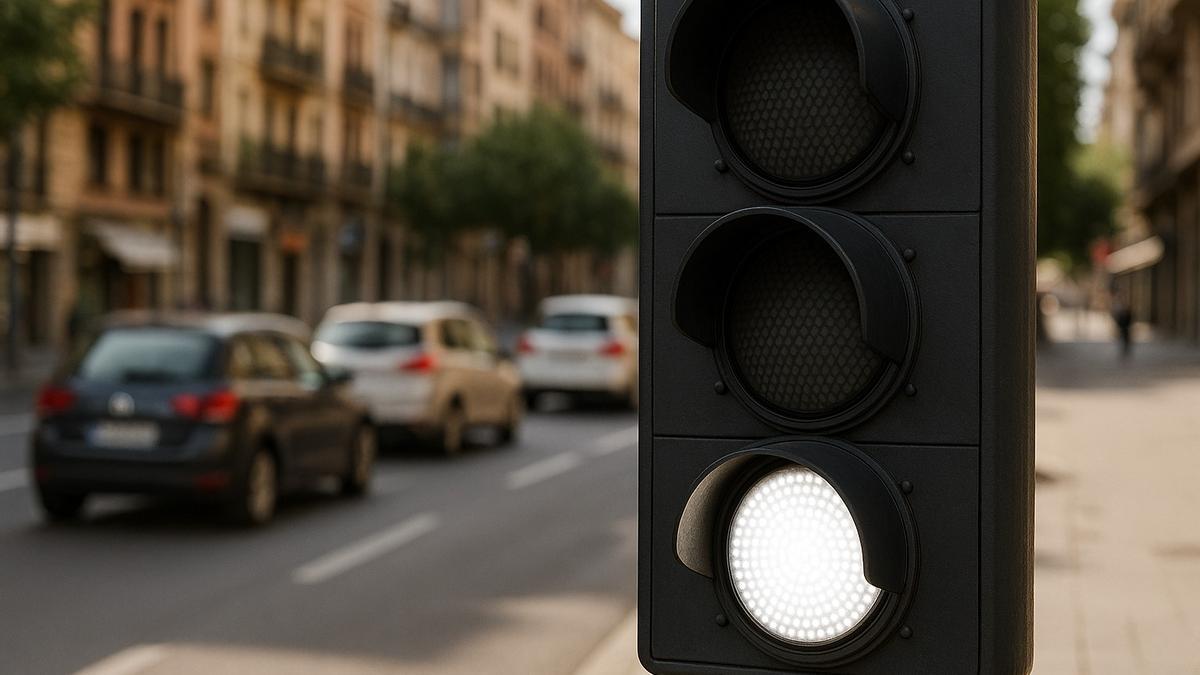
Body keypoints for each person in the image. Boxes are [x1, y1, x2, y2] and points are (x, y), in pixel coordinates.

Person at [1111, 283, 1133, 359]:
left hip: (1125, 321)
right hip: (1121, 321)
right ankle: (1124, 350)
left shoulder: (1124, 300)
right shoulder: (1118, 301)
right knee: (1123, 336)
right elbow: (1115, 312)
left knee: (1126, 336)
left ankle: (1125, 350)